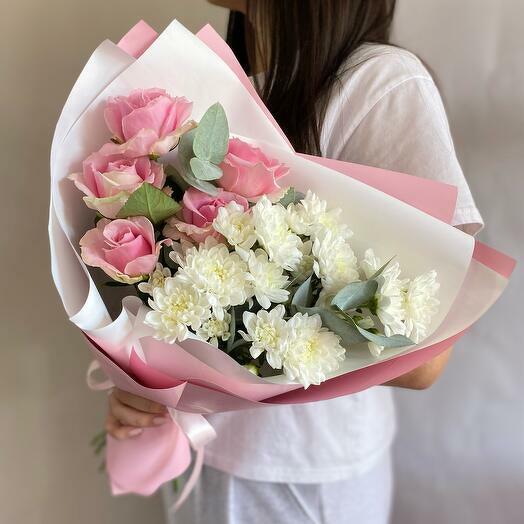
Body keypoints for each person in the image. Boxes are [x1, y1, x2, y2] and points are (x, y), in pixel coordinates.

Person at [105, 1, 483, 522]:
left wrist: (235, 338)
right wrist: (152, 377)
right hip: (205, 454)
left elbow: (425, 358)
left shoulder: (377, 84)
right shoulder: (216, 82)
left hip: (302, 479)